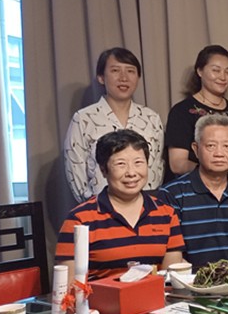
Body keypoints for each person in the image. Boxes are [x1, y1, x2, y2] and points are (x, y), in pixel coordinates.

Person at [56, 130, 185, 282]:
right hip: (100, 297)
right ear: (103, 170)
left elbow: (170, 278)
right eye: (121, 164)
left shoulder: (166, 214)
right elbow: (68, 283)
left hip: (155, 296)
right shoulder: (79, 219)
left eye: (138, 163)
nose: (131, 173)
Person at [160, 115, 228, 268]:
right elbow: (172, 256)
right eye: (211, 146)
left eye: (227, 146)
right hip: (188, 279)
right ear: (196, 149)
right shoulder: (171, 194)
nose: (219, 153)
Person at [64, 48, 164, 202]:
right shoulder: (83, 119)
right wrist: (92, 207)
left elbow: (157, 167)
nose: (124, 78)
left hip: (145, 206)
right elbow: (75, 171)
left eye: (130, 71)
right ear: (101, 77)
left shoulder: (151, 118)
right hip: (100, 208)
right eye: (115, 70)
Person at [164, 45, 228, 181]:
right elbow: (178, 164)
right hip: (200, 189)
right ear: (200, 71)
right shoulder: (182, 111)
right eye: (216, 70)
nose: (223, 77)